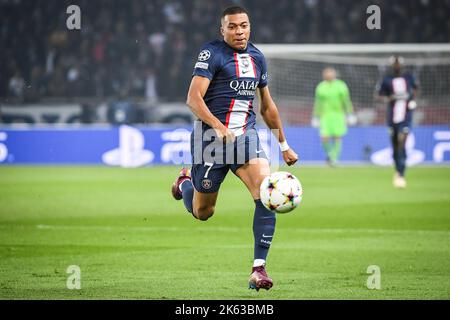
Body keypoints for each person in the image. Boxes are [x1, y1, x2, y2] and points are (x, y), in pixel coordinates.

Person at [171, 6, 298, 291]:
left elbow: (267, 106)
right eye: (233, 27)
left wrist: (284, 145)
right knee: (203, 212)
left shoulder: (257, 58)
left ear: (249, 27)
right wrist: (217, 126)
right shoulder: (211, 54)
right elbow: (193, 99)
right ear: (222, 30)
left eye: (244, 26)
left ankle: (258, 269)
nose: (239, 31)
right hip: (210, 142)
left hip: (245, 138)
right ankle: (186, 182)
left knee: (266, 193)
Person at [377, 56, 418, 188]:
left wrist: (412, 100)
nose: (397, 67)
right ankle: (397, 169)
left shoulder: (409, 77)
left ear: (402, 65)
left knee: (402, 141)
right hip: (392, 117)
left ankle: (401, 174)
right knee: (395, 145)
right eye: (395, 65)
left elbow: (416, 89)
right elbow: (379, 95)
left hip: (406, 115)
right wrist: (389, 98)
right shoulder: (387, 80)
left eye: (398, 64)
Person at [312, 67, 356, 166]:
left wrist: (350, 114)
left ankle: (334, 158)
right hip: (325, 116)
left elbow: (346, 101)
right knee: (324, 137)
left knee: (337, 137)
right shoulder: (321, 87)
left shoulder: (341, 86)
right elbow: (318, 103)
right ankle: (330, 155)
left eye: (330, 73)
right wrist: (315, 117)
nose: (328, 75)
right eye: (326, 74)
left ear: (334, 74)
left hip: (338, 115)